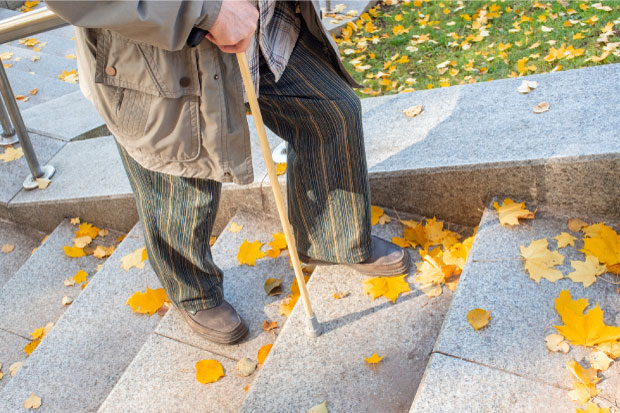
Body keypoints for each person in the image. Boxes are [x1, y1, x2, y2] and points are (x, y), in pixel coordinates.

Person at [46, 0, 410, 344]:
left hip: (265, 26)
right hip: (161, 58)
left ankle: (330, 238)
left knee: (331, 113)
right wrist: (205, 10)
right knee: (179, 179)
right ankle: (192, 291)